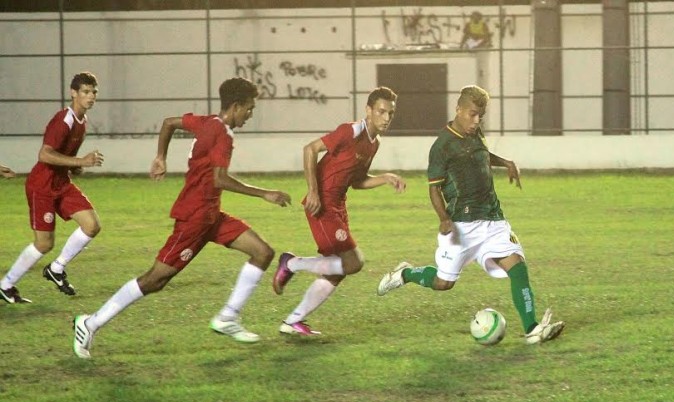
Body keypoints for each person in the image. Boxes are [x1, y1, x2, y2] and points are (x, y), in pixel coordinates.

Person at [72, 77, 291, 358]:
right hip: (195, 218)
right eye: (249, 109)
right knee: (155, 280)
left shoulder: (207, 122)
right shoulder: (222, 134)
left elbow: (168, 123)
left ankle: (228, 317)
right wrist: (264, 193)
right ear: (236, 106)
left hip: (211, 215)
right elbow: (220, 178)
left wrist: (160, 156)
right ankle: (90, 323)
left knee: (262, 252)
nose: (250, 115)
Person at [376, 85, 565, 345]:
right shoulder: (442, 146)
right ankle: (405, 274)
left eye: (481, 116)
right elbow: (434, 190)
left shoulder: (475, 134)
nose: (476, 121)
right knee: (443, 283)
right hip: (461, 227)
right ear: (459, 110)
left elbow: (481, 156)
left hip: (493, 219)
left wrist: (506, 162)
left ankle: (532, 328)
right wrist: (443, 219)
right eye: (472, 115)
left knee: (518, 268)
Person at [272, 87, 406, 336]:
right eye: (381, 111)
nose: (386, 118)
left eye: (391, 113)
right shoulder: (350, 131)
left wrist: (385, 178)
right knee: (353, 262)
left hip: (338, 206)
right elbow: (309, 149)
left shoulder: (373, 144)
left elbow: (357, 181)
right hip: (322, 205)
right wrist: (313, 192)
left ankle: (293, 321)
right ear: (368, 110)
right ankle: (291, 263)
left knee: (337, 271)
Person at [0, 72, 104, 305]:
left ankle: (56, 268)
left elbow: (63, 155)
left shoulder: (82, 121)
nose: (91, 97)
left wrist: (75, 166)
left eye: (94, 92)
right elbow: (45, 154)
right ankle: (6, 285)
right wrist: (80, 162)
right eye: (86, 92)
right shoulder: (63, 120)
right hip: (43, 186)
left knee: (92, 225)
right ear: (73, 93)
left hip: (61, 183)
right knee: (45, 243)